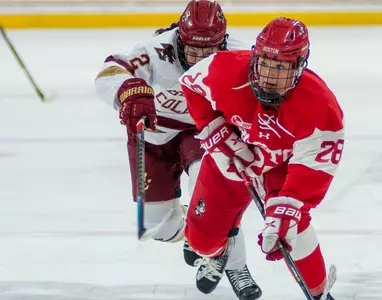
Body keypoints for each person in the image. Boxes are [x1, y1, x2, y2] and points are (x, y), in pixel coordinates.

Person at [93, 1, 262, 299]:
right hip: (154, 135)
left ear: (223, 42)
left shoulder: (240, 55)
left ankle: (234, 261)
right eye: (194, 50)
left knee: (207, 193)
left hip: (202, 132)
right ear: (178, 40)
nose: (200, 59)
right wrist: (127, 88)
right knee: (158, 226)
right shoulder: (155, 51)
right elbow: (108, 71)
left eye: (209, 50)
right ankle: (202, 231)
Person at [179, 16, 344, 300]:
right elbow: (191, 85)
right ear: (255, 57)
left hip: (281, 166)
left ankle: (320, 294)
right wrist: (218, 133)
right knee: (202, 243)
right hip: (231, 159)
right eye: (265, 63)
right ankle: (221, 247)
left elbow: (313, 166)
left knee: (291, 228)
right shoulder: (225, 70)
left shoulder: (319, 104)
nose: (269, 74)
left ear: (298, 68)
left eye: (280, 67)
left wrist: (285, 211)